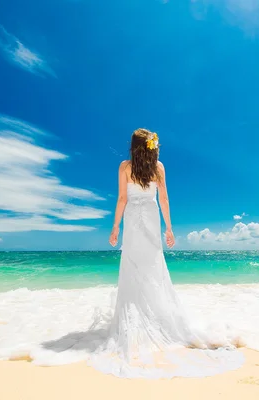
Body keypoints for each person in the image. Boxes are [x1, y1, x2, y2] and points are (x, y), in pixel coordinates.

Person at [87, 128, 244, 378]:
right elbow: (164, 200)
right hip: (150, 219)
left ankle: (135, 323)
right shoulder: (159, 167)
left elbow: (121, 199)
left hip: (133, 222)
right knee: (152, 268)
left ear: (133, 146)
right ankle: (156, 319)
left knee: (133, 267)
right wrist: (169, 228)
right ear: (152, 146)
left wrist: (115, 226)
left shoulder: (124, 167)